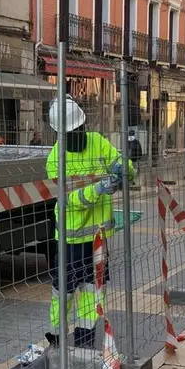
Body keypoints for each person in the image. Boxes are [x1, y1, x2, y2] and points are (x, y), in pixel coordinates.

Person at [46, 97, 133, 350]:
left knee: (93, 289)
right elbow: (68, 200)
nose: (79, 135)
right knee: (64, 290)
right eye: (72, 133)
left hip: (97, 238)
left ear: (84, 125)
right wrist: (98, 189)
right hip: (70, 239)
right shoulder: (55, 159)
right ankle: (57, 338)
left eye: (80, 129)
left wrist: (124, 171)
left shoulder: (97, 141)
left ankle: (85, 339)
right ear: (60, 135)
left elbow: (121, 163)